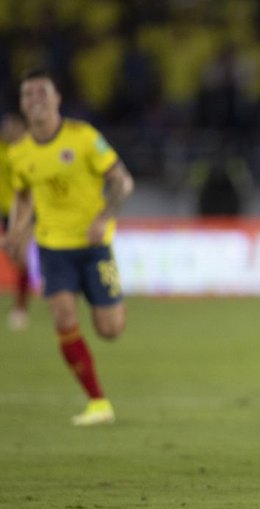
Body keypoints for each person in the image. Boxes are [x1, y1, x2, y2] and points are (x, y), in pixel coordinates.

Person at [2, 69, 134, 426]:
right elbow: (24, 195)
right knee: (62, 316)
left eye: (42, 93)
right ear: (22, 104)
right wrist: (16, 231)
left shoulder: (85, 138)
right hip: (52, 247)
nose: (35, 100)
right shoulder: (19, 153)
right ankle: (97, 402)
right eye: (28, 95)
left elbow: (122, 181)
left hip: (94, 246)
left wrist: (104, 216)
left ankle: (105, 308)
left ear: (58, 98)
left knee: (110, 329)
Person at [0, 112, 30, 330]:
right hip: (4, 212)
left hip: (23, 212)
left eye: (13, 127)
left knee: (20, 256)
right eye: (6, 127)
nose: (8, 131)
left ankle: (20, 308)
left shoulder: (28, 153)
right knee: (14, 256)